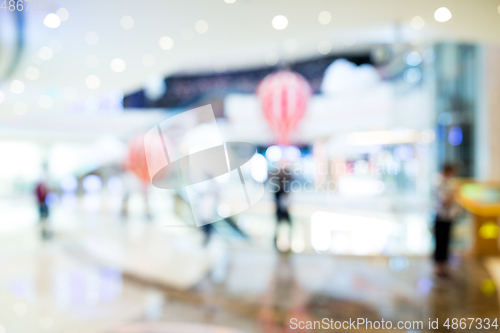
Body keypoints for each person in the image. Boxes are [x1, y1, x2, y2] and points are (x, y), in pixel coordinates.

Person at [433, 163, 460, 277]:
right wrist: (454, 194)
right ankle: (439, 269)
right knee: (441, 244)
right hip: (442, 218)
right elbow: (444, 201)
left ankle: (442, 267)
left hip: (446, 218)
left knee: (444, 244)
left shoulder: (446, 183)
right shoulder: (441, 183)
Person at [270, 167, 293, 251]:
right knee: (279, 226)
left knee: (289, 225)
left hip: (283, 211)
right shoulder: (278, 191)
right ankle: (276, 244)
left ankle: (287, 243)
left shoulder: (284, 190)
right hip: (280, 212)